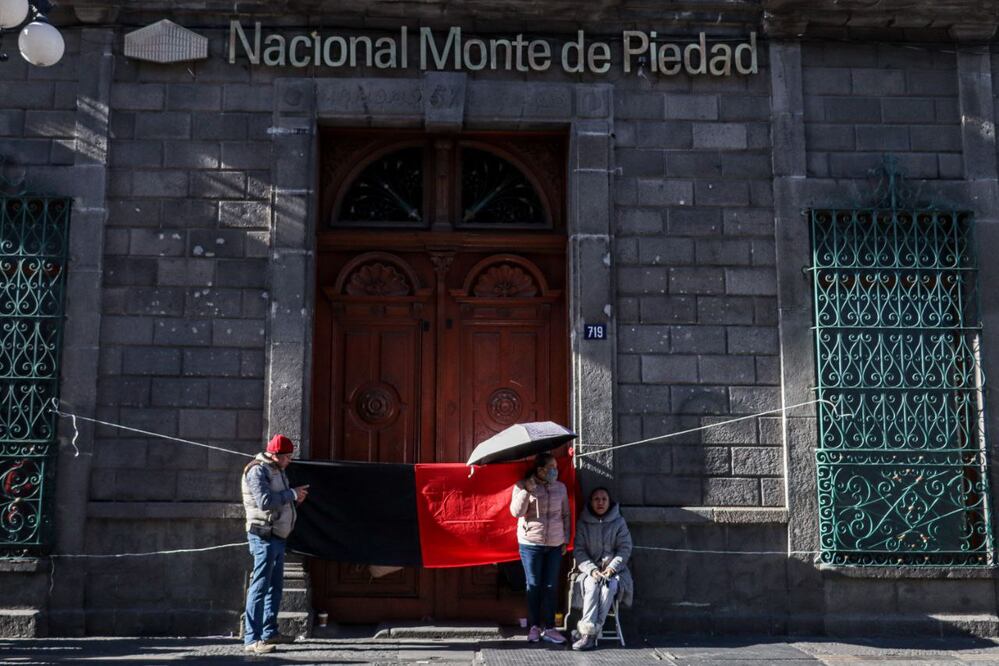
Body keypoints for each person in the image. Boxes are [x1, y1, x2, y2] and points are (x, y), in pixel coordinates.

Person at [241, 433, 310, 655]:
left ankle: (270, 632)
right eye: (287, 456)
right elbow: (265, 501)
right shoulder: (257, 470)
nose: (289, 460)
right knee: (260, 587)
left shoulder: (277, 469)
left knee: (275, 588)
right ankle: (252, 639)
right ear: (275, 454)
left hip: (277, 536)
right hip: (264, 536)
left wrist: (294, 497)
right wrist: (291, 493)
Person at [509, 452, 570, 645]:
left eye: (556, 468)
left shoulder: (561, 488)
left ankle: (550, 628)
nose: (555, 471)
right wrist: (527, 490)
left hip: (554, 543)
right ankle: (534, 626)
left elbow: (566, 514)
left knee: (551, 586)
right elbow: (516, 512)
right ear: (540, 470)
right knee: (533, 585)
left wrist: (565, 539)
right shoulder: (521, 485)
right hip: (531, 543)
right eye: (551, 468)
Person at [570, 487, 633, 651]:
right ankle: (590, 634)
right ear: (591, 502)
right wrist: (591, 570)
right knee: (592, 585)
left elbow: (625, 549)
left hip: (614, 572)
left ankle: (588, 634)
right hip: (590, 571)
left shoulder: (619, 522)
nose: (600, 502)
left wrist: (612, 568)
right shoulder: (583, 523)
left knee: (609, 587)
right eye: (596, 499)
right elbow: (579, 551)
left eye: (604, 499)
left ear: (609, 502)